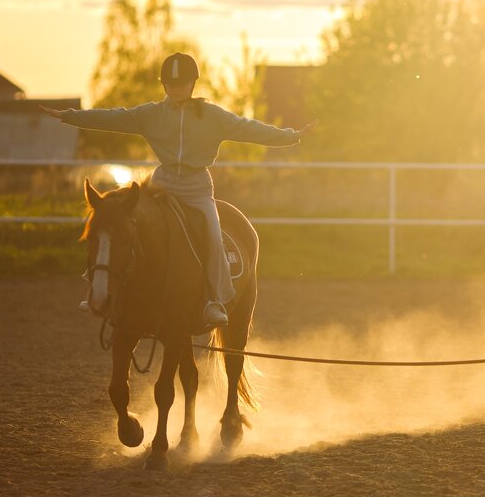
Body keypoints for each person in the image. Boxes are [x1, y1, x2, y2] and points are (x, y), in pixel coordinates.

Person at [41, 52, 315, 329]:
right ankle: (96, 289)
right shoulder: (151, 114)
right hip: (163, 183)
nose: (176, 89)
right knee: (116, 220)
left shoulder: (213, 116)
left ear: (193, 84)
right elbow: (113, 117)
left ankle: (214, 300)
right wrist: (69, 116)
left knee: (212, 234)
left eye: (182, 83)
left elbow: (249, 128)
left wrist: (290, 136)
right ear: (164, 85)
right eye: (171, 84)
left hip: (197, 189)